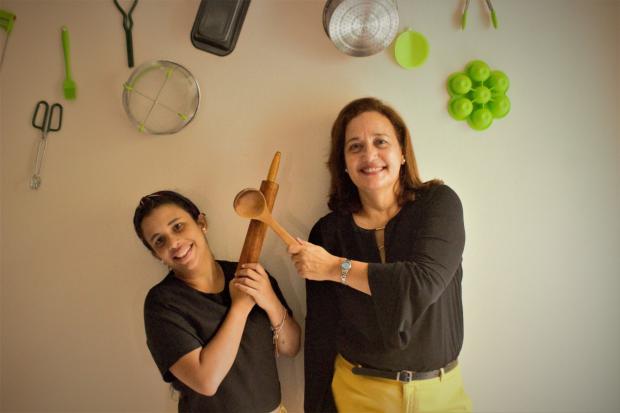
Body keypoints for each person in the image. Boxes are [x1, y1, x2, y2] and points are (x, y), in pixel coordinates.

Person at [289, 97, 472, 413]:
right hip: (357, 394)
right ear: (343, 163)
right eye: (355, 146)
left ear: (402, 152)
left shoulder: (439, 204)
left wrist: (334, 267)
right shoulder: (328, 233)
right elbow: (322, 332)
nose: (369, 155)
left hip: (440, 396)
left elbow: (421, 282)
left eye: (380, 142)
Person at [133, 190, 301, 413]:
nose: (174, 242)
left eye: (178, 226)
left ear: (201, 222)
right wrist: (240, 307)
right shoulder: (162, 304)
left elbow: (291, 347)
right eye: (160, 240)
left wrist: (269, 300)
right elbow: (206, 381)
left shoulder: (248, 272)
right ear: (157, 255)